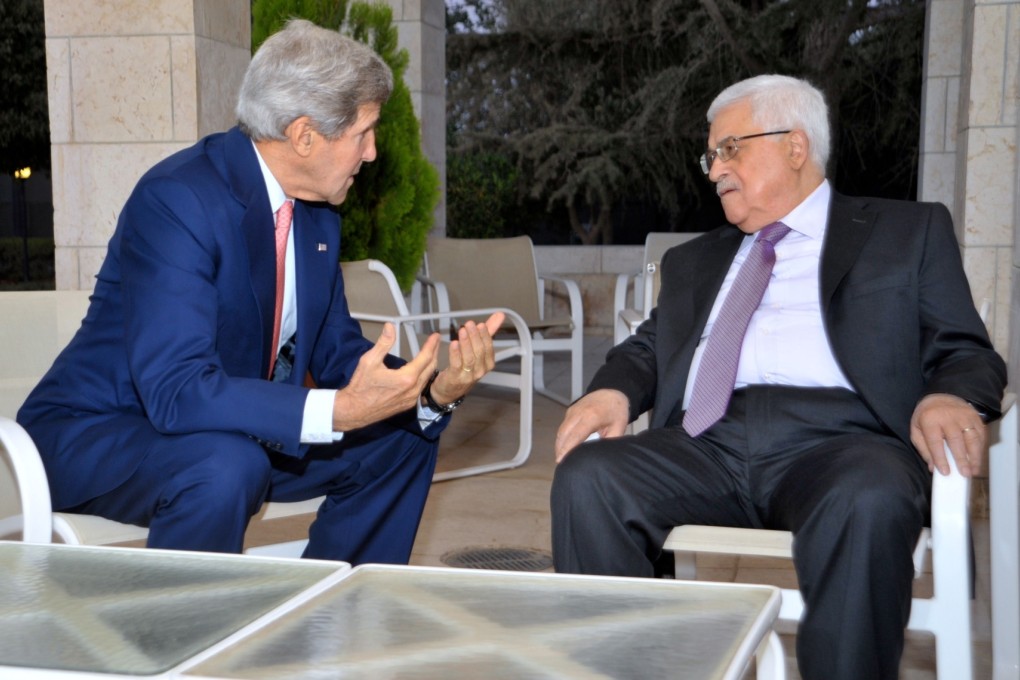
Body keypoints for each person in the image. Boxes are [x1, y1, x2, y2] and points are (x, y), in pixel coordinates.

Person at [550, 74, 1006, 680]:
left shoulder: (906, 233)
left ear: (796, 146)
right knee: (589, 477)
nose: (713, 171)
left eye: (729, 149)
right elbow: (654, 344)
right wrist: (612, 389)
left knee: (866, 497)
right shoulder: (696, 258)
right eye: (709, 156)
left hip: (847, 443)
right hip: (705, 442)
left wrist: (949, 395)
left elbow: (966, 348)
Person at [17, 19, 503, 565]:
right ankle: (181, 640)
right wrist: (338, 410)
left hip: (230, 432)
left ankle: (336, 608)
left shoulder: (317, 214)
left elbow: (337, 351)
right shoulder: (178, 200)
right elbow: (176, 391)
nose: (371, 154)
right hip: (98, 434)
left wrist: (431, 391)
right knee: (226, 466)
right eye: (364, 133)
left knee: (402, 437)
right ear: (303, 135)